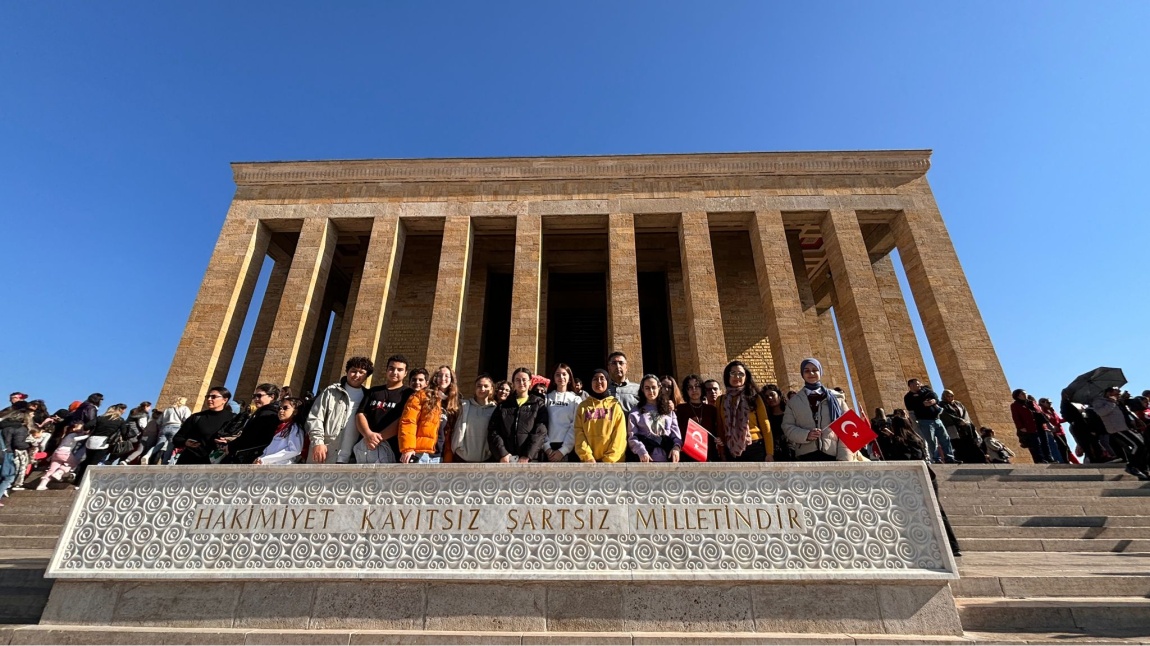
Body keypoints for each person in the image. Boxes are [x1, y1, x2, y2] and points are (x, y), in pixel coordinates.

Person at [782, 358, 853, 461]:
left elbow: (848, 429)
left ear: (820, 372)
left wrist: (844, 459)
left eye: (815, 370)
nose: (811, 373)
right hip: (805, 455)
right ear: (802, 374)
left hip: (833, 454)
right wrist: (806, 435)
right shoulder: (793, 402)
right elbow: (787, 426)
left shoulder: (837, 398)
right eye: (806, 370)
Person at [307, 357, 372, 464]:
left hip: (353, 458)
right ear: (347, 371)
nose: (356, 375)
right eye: (353, 371)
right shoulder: (331, 391)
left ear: (367, 376)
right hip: (325, 453)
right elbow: (315, 417)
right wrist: (317, 442)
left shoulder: (368, 396)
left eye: (361, 372)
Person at [355, 355, 411, 463]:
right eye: (391, 368)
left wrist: (378, 438)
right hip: (367, 446)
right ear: (386, 370)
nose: (395, 372)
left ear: (405, 373)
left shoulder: (408, 394)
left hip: (393, 449)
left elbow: (403, 420)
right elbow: (360, 414)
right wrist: (368, 434)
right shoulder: (374, 391)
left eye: (399, 370)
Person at [398, 365, 458, 463]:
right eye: (440, 375)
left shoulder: (452, 403)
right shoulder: (420, 396)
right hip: (421, 454)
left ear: (451, 380)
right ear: (435, 378)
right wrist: (407, 449)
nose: (443, 378)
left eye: (447, 376)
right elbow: (408, 422)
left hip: (441, 456)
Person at [487, 367, 549, 463]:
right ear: (513, 383)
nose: (521, 382)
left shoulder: (538, 404)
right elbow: (494, 431)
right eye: (517, 380)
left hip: (530, 460)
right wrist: (502, 453)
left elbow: (540, 431)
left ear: (530, 382)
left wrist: (527, 455)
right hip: (507, 460)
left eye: (524, 380)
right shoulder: (503, 405)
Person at [717, 361, 773, 462]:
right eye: (733, 373)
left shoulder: (754, 398)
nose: (736, 377)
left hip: (755, 446)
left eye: (740, 374)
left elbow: (765, 425)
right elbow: (721, 428)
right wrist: (722, 453)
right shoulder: (721, 400)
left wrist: (769, 453)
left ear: (746, 377)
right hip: (731, 449)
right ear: (727, 376)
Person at [1091, 387, 1146, 478]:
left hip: (1126, 427)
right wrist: (1112, 402)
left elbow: (1125, 410)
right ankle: (1131, 465)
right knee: (1137, 445)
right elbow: (1101, 413)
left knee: (1142, 446)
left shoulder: (1116, 400)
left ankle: (1141, 468)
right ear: (1109, 392)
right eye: (1116, 390)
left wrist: (1123, 399)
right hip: (1117, 429)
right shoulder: (1099, 401)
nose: (1119, 391)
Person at [574, 369, 627, 463]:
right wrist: (587, 457)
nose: (598, 382)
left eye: (602, 379)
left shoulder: (615, 406)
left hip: (613, 464)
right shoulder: (583, 407)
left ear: (608, 381)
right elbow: (579, 433)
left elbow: (620, 436)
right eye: (595, 379)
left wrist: (608, 460)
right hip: (589, 464)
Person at [627, 374, 682, 462]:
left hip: (669, 459)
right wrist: (641, 451)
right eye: (647, 388)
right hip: (646, 459)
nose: (651, 391)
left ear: (659, 388)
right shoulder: (635, 412)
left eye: (654, 387)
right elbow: (632, 437)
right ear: (642, 389)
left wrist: (676, 447)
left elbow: (676, 435)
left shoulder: (668, 410)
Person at [173, 389, 235, 466]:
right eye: (207, 396)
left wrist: (229, 441)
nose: (209, 399)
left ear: (225, 400)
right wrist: (185, 442)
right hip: (190, 461)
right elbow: (177, 438)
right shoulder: (196, 417)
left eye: (213, 397)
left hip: (217, 464)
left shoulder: (233, 418)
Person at [223, 384, 282, 464]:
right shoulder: (263, 412)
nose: (256, 399)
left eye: (259, 395)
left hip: (251, 457)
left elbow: (251, 437)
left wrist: (231, 446)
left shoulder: (267, 414)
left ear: (271, 396)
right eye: (254, 396)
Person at [904, 379, 958, 464]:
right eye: (916, 384)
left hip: (937, 419)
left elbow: (935, 396)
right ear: (911, 385)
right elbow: (910, 408)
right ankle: (936, 459)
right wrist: (922, 404)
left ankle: (950, 458)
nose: (919, 385)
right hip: (924, 420)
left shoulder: (926, 391)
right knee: (931, 441)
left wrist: (934, 401)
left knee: (945, 439)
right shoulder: (908, 397)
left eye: (919, 384)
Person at [451, 375, 497, 463]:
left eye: (486, 386)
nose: (482, 389)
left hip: (486, 459)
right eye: (479, 386)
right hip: (461, 458)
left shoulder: (495, 410)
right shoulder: (463, 406)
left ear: (491, 389)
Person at [76, 403, 127, 482]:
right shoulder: (120, 420)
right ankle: (83, 482)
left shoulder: (100, 417)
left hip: (91, 441)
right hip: (103, 443)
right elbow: (124, 433)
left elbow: (87, 426)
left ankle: (77, 480)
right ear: (120, 411)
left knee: (87, 460)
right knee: (93, 463)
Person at [676, 374, 721, 462]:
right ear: (686, 390)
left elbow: (717, 430)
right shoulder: (680, 409)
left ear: (702, 388)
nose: (694, 390)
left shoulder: (711, 409)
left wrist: (719, 438)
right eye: (690, 387)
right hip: (688, 455)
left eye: (697, 386)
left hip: (709, 454)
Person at [542, 364, 580, 462]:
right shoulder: (545, 398)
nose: (561, 377)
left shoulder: (576, 399)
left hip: (568, 449)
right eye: (557, 374)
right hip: (548, 449)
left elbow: (575, 425)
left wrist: (563, 450)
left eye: (564, 374)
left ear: (569, 378)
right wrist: (547, 448)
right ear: (553, 378)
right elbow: (541, 424)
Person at [254, 398, 307, 465]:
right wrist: (260, 458)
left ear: (295, 411)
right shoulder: (281, 428)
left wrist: (265, 459)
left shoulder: (295, 428)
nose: (281, 411)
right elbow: (270, 449)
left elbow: (295, 450)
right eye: (280, 408)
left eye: (285, 408)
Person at [36, 421, 88, 489]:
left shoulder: (66, 435)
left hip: (57, 453)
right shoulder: (73, 435)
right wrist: (87, 436)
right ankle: (60, 472)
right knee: (74, 463)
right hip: (65, 452)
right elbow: (75, 439)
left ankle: (42, 484)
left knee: (51, 470)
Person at [1011, 388, 1055, 465]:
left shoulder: (1032, 402)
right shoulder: (1015, 405)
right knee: (1036, 444)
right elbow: (1016, 417)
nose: (1025, 395)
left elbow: (1040, 412)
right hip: (1029, 427)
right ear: (1017, 396)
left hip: (1040, 425)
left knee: (1045, 442)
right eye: (1022, 394)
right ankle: (1040, 460)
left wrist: (1047, 421)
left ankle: (1049, 458)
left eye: (1025, 393)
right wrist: (1021, 427)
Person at [940, 391, 985, 464]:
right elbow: (946, 415)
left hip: (965, 428)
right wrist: (959, 420)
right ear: (944, 396)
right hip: (953, 428)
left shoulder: (958, 403)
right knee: (959, 445)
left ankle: (978, 461)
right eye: (948, 396)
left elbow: (965, 413)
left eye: (951, 396)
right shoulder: (942, 404)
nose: (950, 398)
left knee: (971, 443)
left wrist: (965, 421)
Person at [0, 407, 31, 494]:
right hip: (8, 453)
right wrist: (29, 445)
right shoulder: (20, 428)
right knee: (8, 476)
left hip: (1, 451)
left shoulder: (2, 426)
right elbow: (18, 444)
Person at [155, 397, 192, 465]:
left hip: (164, 427)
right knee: (170, 447)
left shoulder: (168, 409)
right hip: (176, 427)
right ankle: (164, 463)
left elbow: (158, 421)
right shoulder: (184, 408)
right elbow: (187, 420)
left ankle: (147, 456)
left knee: (158, 445)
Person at [761, 384, 792, 461]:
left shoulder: (790, 414)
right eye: (767, 397)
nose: (770, 398)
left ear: (779, 395)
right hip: (774, 454)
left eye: (772, 395)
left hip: (791, 451)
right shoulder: (765, 418)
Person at [1038, 397, 1073, 464]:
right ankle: (1065, 461)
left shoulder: (1052, 410)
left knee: (1065, 447)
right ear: (1042, 403)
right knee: (1062, 446)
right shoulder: (1043, 412)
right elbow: (1047, 421)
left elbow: (1058, 420)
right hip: (1054, 432)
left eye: (1050, 402)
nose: (1050, 404)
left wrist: (1067, 418)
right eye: (1048, 402)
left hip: (1061, 431)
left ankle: (1066, 461)